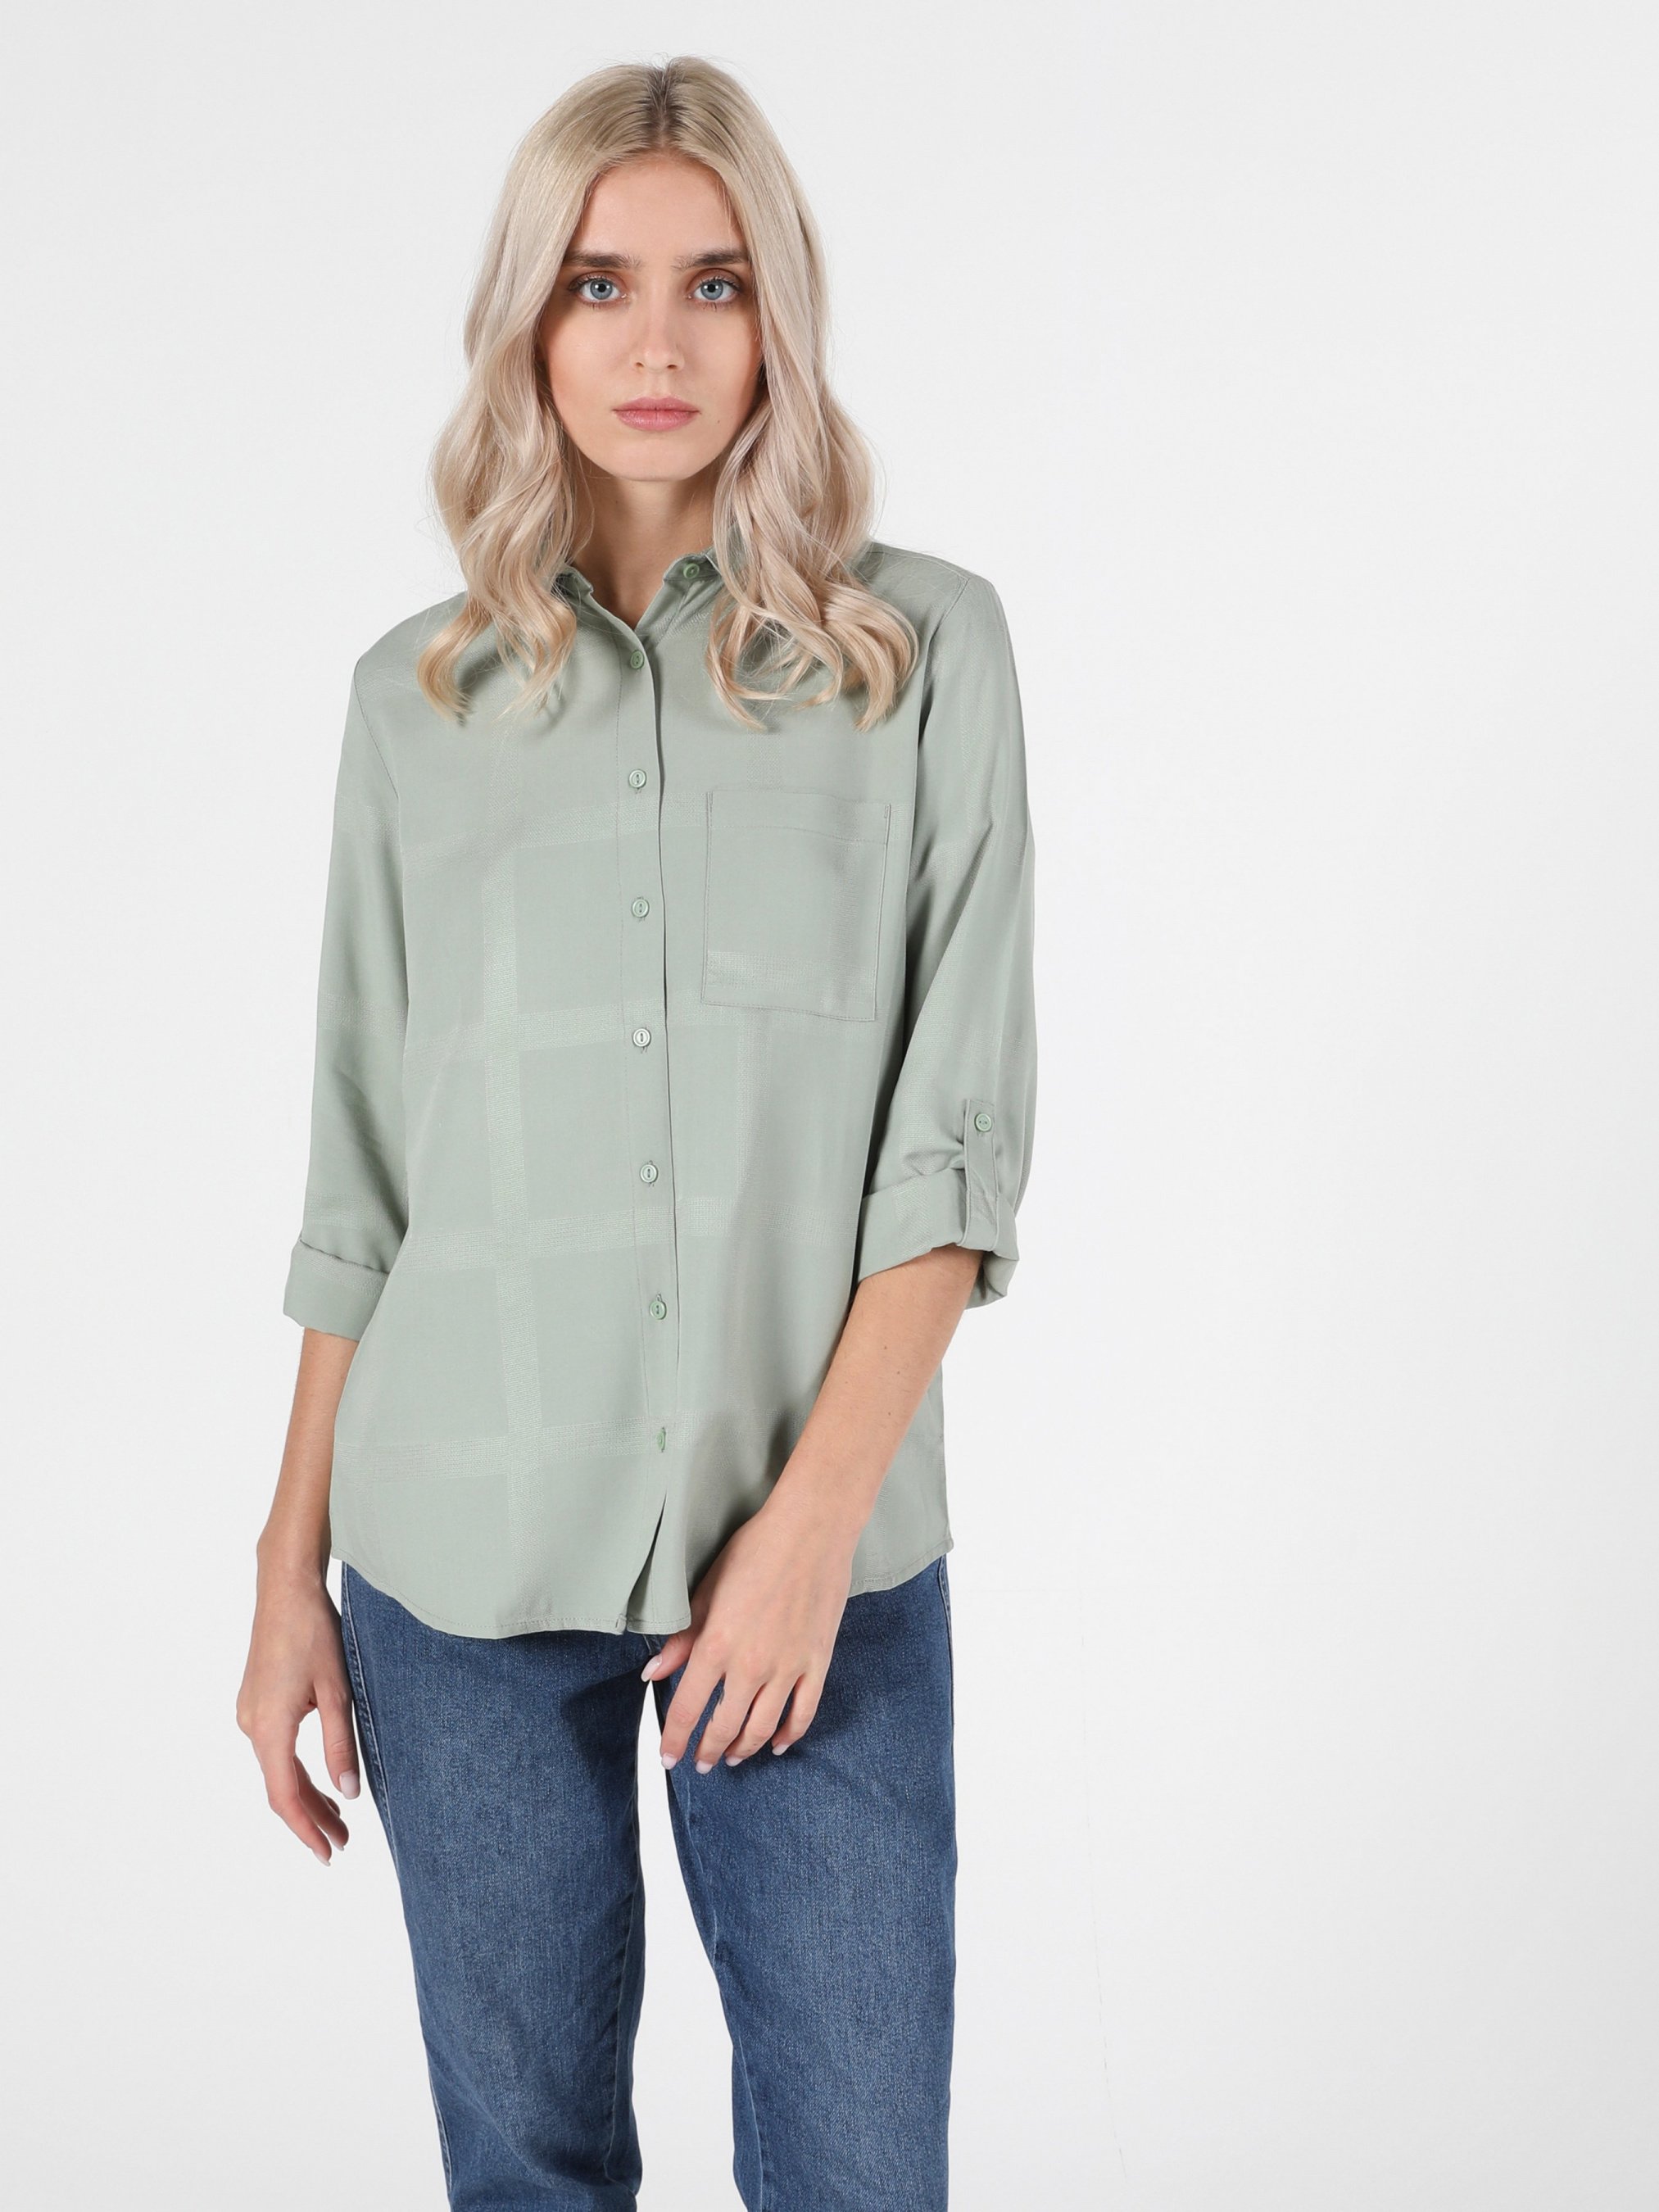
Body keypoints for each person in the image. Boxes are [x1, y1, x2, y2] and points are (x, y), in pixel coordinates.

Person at [236, 53, 1037, 2212]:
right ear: (528, 318)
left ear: (783, 314)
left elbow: (951, 1148)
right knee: (532, 2171)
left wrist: (806, 1529)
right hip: (459, 1564)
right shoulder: (413, 702)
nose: (657, 341)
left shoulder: (923, 655)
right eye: (597, 283)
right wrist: (286, 1566)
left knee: (861, 2171)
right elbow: (361, 1171)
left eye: (715, 281)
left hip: (823, 1558)